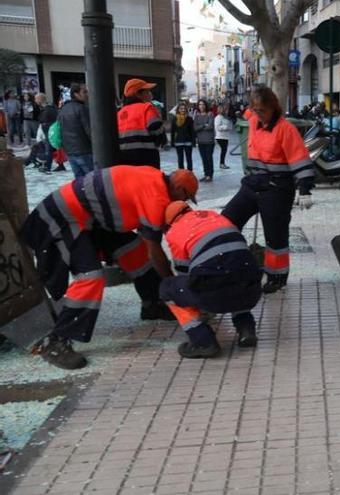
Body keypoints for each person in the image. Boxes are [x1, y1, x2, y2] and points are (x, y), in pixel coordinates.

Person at [20, 166, 199, 369]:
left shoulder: (154, 177)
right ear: (177, 188)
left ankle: (153, 304)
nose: (182, 203)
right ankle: (56, 340)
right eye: (185, 197)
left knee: (134, 249)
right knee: (90, 277)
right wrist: (174, 288)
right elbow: (155, 252)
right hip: (59, 219)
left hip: (86, 219)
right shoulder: (156, 197)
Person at [222, 87, 315, 294]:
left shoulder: (285, 129)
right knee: (226, 222)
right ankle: (230, 266)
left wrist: (305, 188)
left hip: (277, 189)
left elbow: (300, 158)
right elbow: (244, 113)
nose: (258, 114)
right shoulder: (254, 121)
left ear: (273, 108)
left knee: (276, 236)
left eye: (262, 110)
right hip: (253, 184)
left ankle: (277, 276)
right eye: (255, 110)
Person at [161, 201, 262, 358]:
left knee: (168, 288)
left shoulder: (175, 232)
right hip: (252, 289)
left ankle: (203, 342)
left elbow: (186, 276)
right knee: (236, 272)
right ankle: (246, 329)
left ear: (170, 221)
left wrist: (202, 309)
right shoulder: (215, 217)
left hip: (216, 295)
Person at [117, 78, 164, 168]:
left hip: (124, 158)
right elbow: (156, 128)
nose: (150, 94)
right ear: (138, 94)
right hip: (147, 157)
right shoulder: (146, 107)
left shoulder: (119, 113)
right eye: (147, 92)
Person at [57, 83, 93, 178]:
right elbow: (90, 131)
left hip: (70, 152)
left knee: (80, 182)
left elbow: (59, 130)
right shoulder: (82, 109)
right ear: (76, 94)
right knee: (92, 181)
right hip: (85, 150)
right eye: (84, 92)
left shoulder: (63, 109)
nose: (87, 94)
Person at [35, 93, 58, 172]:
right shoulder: (50, 107)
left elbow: (43, 119)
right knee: (53, 148)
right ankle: (58, 165)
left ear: (40, 99)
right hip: (51, 130)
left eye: (36, 99)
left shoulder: (47, 108)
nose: (35, 101)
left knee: (49, 149)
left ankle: (47, 167)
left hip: (49, 131)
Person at [194, 100, 215, 181]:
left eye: (203, 104)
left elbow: (210, 126)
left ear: (206, 105)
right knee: (204, 159)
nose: (201, 106)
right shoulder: (197, 115)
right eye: (200, 104)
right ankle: (206, 174)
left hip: (209, 141)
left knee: (209, 158)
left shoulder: (210, 114)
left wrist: (201, 127)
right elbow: (195, 128)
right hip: (200, 141)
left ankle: (210, 175)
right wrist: (204, 125)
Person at [170, 103, 195, 171]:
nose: (183, 110)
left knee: (189, 159)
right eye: (181, 108)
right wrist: (172, 142)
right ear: (178, 110)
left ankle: (190, 173)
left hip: (188, 141)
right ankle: (181, 174)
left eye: (184, 108)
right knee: (180, 159)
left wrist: (193, 141)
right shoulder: (174, 119)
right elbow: (172, 131)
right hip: (178, 141)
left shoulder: (189, 119)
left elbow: (192, 131)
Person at [215, 104, 234, 170]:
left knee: (224, 150)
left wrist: (229, 127)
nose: (226, 111)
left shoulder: (225, 117)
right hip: (220, 137)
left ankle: (222, 163)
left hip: (225, 136)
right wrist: (225, 127)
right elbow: (217, 127)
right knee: (223, 150)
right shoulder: (218, 117)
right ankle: (222, 163)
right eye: (225, 109)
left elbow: (229, 125)